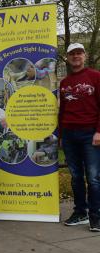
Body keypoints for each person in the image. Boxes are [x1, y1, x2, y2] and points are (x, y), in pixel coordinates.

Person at [59, 43, 100, 232]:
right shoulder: (64, 82)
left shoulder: (95, 77)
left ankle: (96, 217)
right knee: (76, 177)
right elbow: (62, 110)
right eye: (72, 54)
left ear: (84, 56)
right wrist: (61, 134)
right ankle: (80, 212)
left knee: (93, 178)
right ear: (67, 57)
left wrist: (98, 131)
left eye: (78, 53)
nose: (75, 56)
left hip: (90, 134)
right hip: (69, 134)